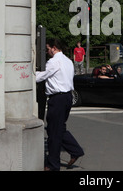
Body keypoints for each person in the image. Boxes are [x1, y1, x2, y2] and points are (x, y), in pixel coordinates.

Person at [36, 38, 84, 171]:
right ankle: (76, 150)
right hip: (67, 97)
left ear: (54, 48)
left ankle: (53, 164)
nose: (47, 51)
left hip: (57, 99)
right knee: (58, 128)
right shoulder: (68, 61)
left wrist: (27, 75)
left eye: (48, 49)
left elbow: (42, 76)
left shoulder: (54, 61)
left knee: (54, 133)